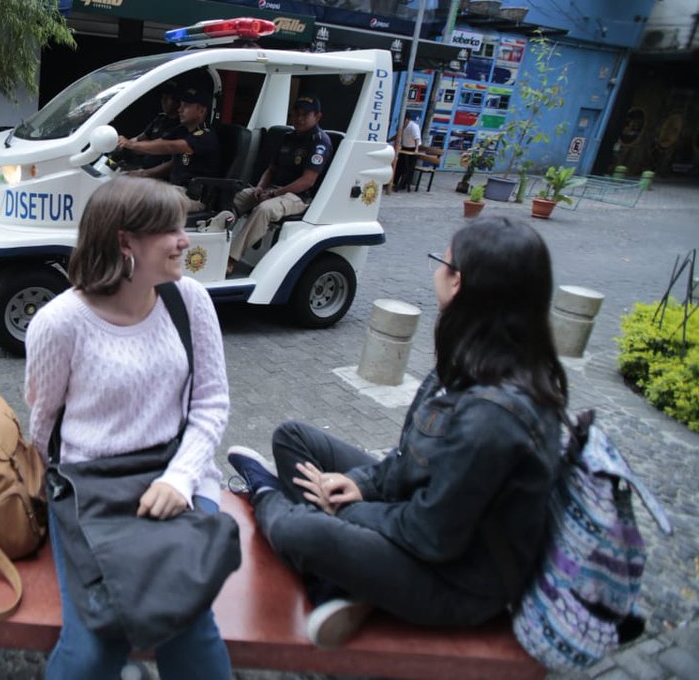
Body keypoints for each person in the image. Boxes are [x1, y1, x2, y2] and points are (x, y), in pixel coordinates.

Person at [227, 217, 566, 649]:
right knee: (293, 438)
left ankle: (265, 494)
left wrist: (343, 512)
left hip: (453, 579)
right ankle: (347, 580)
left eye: (439, 263)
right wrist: (360, 485)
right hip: (417, 513)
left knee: (303, 531)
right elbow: (408, 460)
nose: (434, 273)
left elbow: (430, 535)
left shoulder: (494, 418)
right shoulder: (476, 358)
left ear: (458, 283)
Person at [25, 176, 232, 679]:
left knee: (187, 622)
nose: (186, 240)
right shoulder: (59, 323)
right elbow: (43, 425)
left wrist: (180, 479)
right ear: (124, 242)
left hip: (175, 473)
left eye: (185, 227)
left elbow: (211, 403)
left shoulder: (190, 301)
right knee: (96, 643)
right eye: (171, 231)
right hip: (90, 486)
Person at [227, 94, 331, 271]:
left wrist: (274, 194)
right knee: (235, 198)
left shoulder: (319, 142)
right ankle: (213, 245)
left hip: (298, 198)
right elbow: (271, 169)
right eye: (296, 113)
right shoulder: (289, 137)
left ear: (317, 117)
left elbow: (308, 181)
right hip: (274, 190)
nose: (298, 118)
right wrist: (260, 187)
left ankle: (230, 260)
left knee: (264, 210)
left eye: (305, 114)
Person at [117, 84, 220, 212]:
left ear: (201, 111)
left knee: (141, 202)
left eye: (186, 106)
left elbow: (169, 146)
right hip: (174, 189)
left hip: (193, 197)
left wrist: (131, 144)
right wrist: (142, 173)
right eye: (181, 105)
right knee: (125, 189)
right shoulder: (182, 130)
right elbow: (162, 147)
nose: (179, 110)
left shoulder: (206, 135)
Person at [112, 81, 180, 172]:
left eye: (168, 98)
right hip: (142, 166)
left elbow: (157, 147)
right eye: (163, 97)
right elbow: (139, 138)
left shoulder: (180, 126)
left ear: (178, 101)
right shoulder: (160, 119)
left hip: (157, 173)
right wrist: (121, 144)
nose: (163, 100)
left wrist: (131, 145)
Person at [394, 112, 423, 191]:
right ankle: (394, 182)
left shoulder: (413, 126)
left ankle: (404, 185)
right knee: (399, 166)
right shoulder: (402, 126)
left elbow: (417, 139)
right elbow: (398, 135)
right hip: (405, 147)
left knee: (408, 168)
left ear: (407, 119)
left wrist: (416, 149)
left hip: (413, 148)